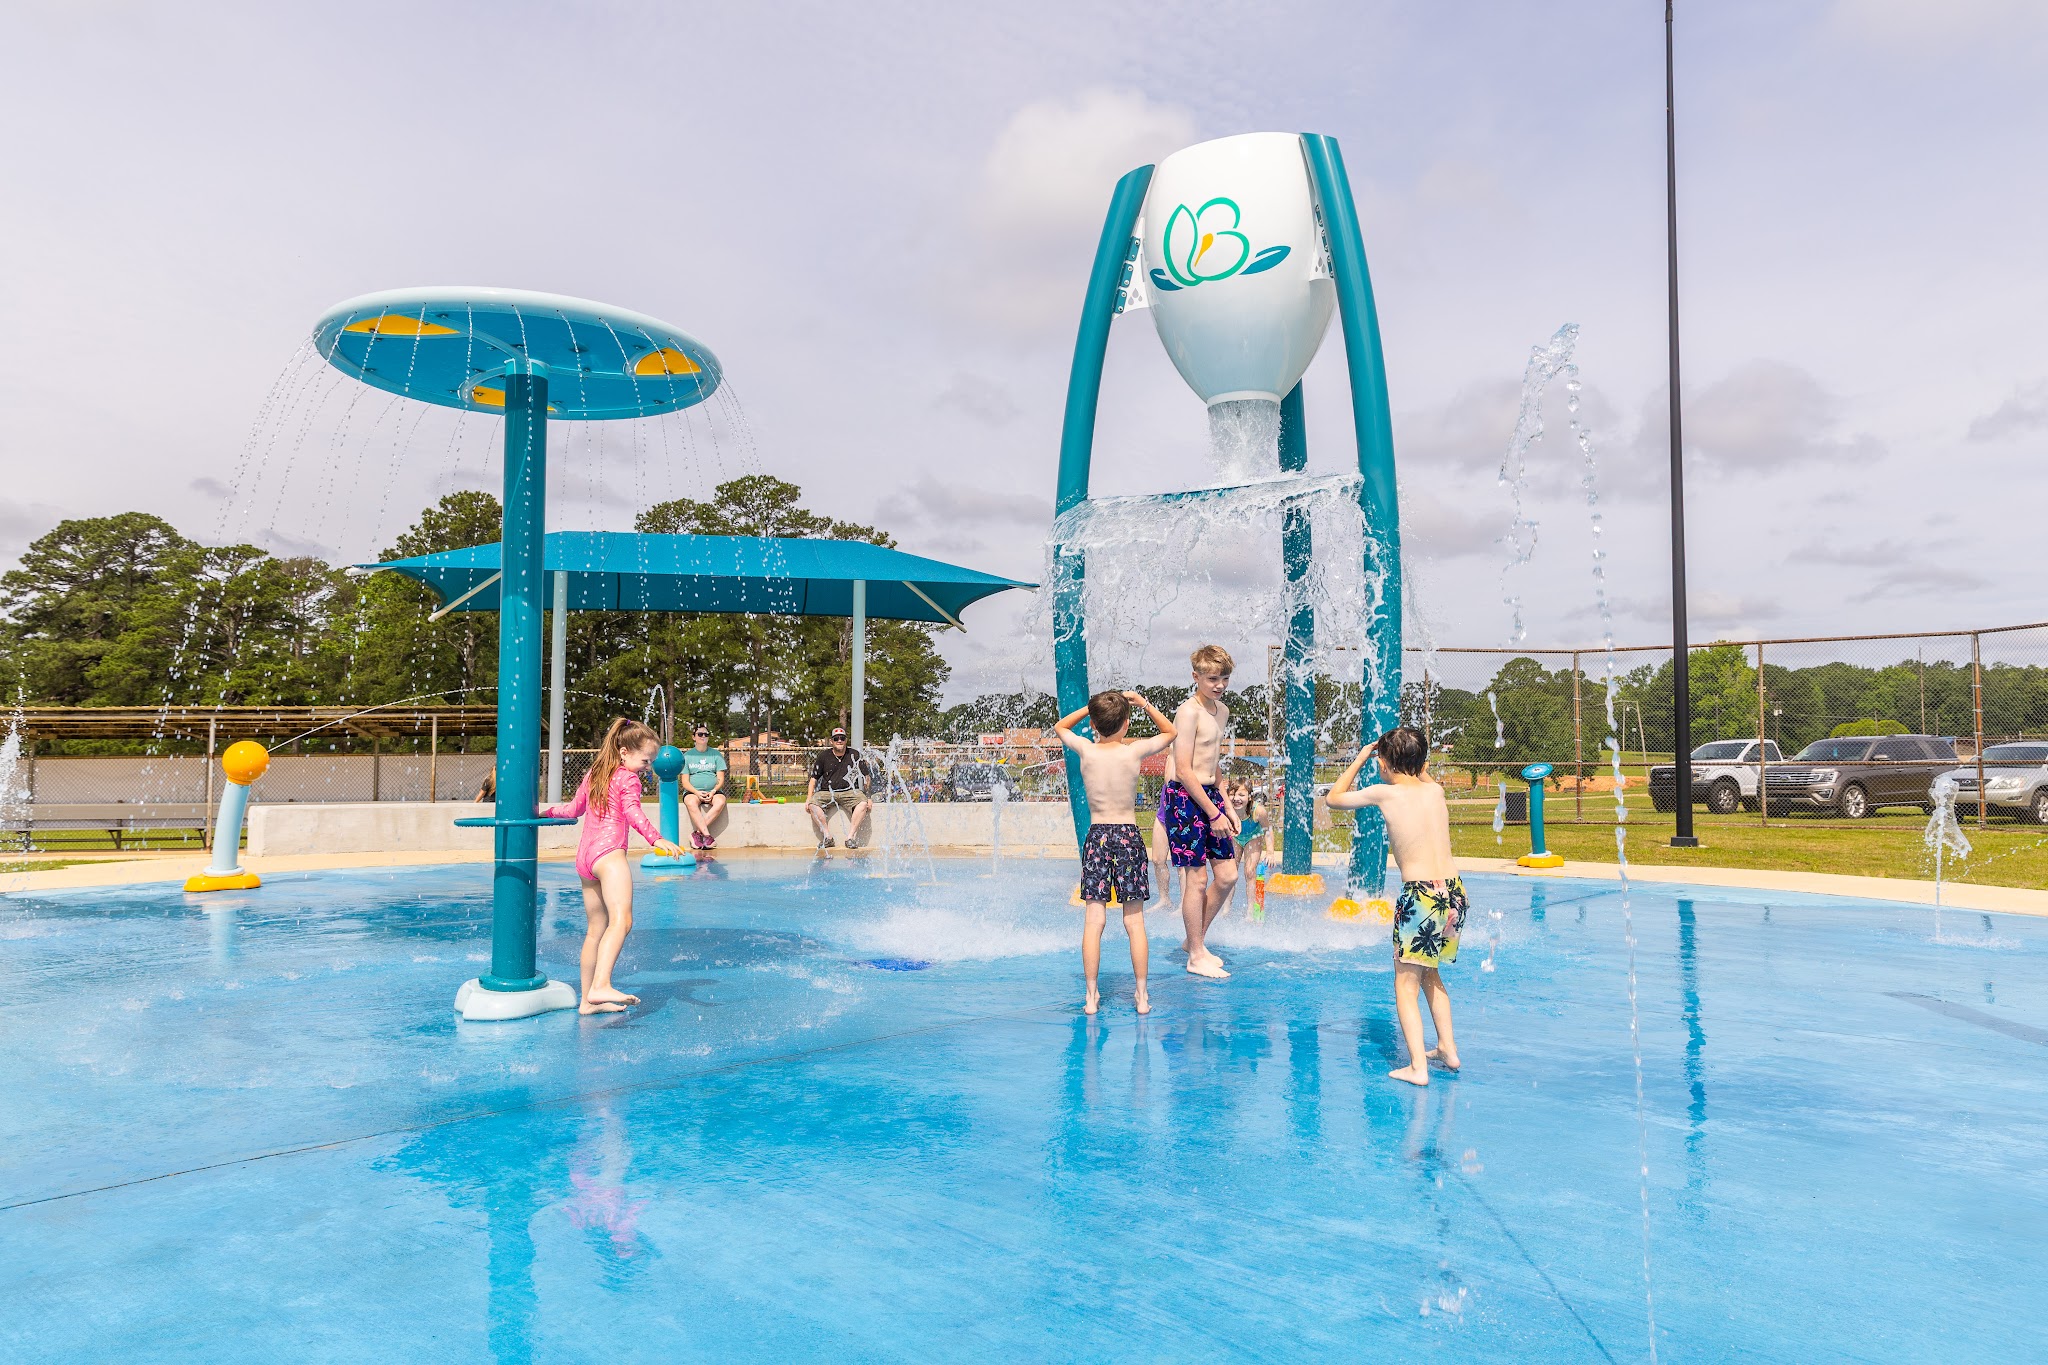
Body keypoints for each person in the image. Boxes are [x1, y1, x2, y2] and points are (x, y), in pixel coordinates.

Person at [1326, 725, 1465, 1086]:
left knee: (1405, 984)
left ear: (1383, 763)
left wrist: (1360, 756)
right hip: (1454, 893)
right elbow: (1417, 771)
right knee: (1430, 972)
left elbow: (1334, 797)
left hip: (1421, 896)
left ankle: (1418, 1067)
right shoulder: (1435, 791)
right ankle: (1447, 1048)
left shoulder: (1384, 793)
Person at [540, 717, 687, 1015]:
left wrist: (541, 811)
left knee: (596, 929)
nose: (649, 766)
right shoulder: (627, 778)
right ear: (624, 752)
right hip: (609, 855)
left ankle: (586, 1002)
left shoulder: (594, 772)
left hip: (585, 858)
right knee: (622, 922)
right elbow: (632, 812)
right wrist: (656, 840)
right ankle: (601, 985)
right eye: (646, 760)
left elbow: (572, 811)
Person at [1056, 689, 1177, 1016]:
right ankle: (1141, 995)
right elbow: (1171, 732)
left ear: (1094, 723)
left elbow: (1060, 727)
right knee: (1134, 921)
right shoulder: (1133, 751)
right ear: (1125, 723)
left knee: (1094, 919)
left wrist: (1090, 708)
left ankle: (1092, 996)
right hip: (1127, 835)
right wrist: (1145, 704)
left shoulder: (1086, 749)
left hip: (1097, 836)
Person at [1161, 644, 1240, 978]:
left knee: (1227, 875)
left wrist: (1225, 804)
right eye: (1212, 678)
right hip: (1185, 798)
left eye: (1223, 678)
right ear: (1196, 677)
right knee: (1196, 879)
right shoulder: (1188, 712)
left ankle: (1194, 941)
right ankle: (1195, 954)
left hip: (1210, 795)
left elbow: (1212, 763)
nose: (1219, 684)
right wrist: (1213, 812)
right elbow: (1183, 769)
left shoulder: (1220, 711)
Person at [806, 726, 871, 849]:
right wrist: (809, 798)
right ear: (831, 741)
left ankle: (850, 838)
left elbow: (866, 777)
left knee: (863, 804)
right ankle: (827, 837)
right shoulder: (823, 756)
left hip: (849, 792)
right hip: (827, 792)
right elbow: (813, 779)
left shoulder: (854, 755)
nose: (839, 740)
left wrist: (869, 797)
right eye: (836, 738)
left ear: (846, 740)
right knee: (812, 804)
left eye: (842, 738)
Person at [679, 724, 729, 851]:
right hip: (693, 792)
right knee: (690, 802)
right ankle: (706, 835)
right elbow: (685, 782)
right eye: (700, 734)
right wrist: (696, 792)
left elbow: (720, 779)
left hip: (714, 791)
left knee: (720, 801)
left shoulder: (716, 755)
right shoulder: (687, 756)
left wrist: (713, 791)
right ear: (693, 737)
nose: (703, 736)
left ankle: (695, 834)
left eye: (706, 734)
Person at [1229, 777, 1270, 904]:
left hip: (1253, 837)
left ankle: (1251, 911)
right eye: (1232, 794)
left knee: (1250, 872)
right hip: (1236, 838)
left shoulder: (1258, 811)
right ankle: (1225, 909)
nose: (1236, 798)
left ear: (1250, 797)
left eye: (1241, 794)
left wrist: (1270, 851)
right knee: (1230, 874)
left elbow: (1267, 830)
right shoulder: (1228, 809)